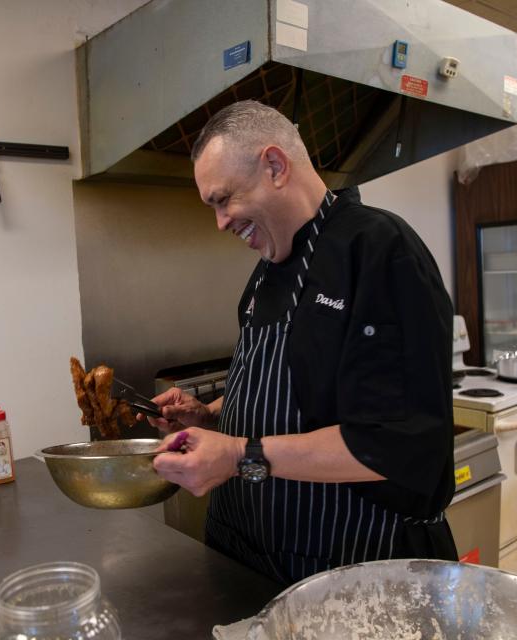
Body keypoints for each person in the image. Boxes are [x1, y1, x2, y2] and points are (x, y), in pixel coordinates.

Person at [147, 100, 457, 586]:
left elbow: (395, 442)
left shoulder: (378, 249)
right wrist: (211, 413)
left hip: (349, 566)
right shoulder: (270, 266)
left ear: (274, 165)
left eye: (223, 199)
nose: (221, 222)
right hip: (248, 555)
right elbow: (292, 384)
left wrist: (236, 455)